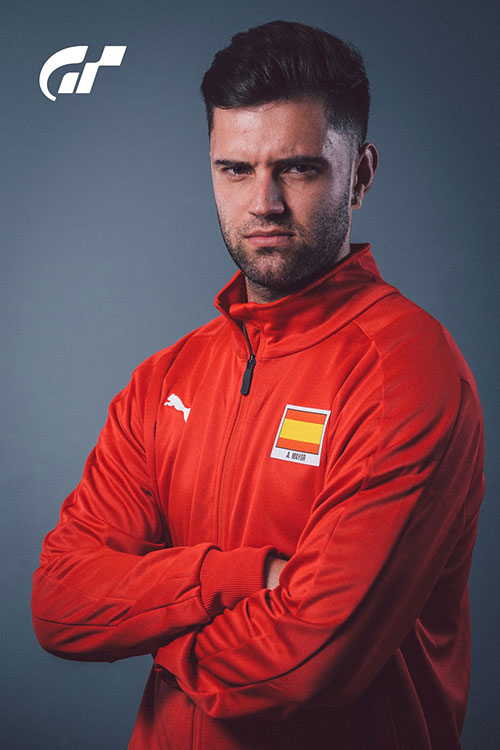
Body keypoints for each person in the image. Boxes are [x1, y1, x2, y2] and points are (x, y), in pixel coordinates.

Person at [32, 20, 484, 750]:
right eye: (235, 169)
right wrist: (236, 578)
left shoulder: (405, 369)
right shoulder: (165, 379)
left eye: (298, 169)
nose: (263, 202)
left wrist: (156, 639)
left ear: (361, 174)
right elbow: (59, 603)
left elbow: (309, 661)